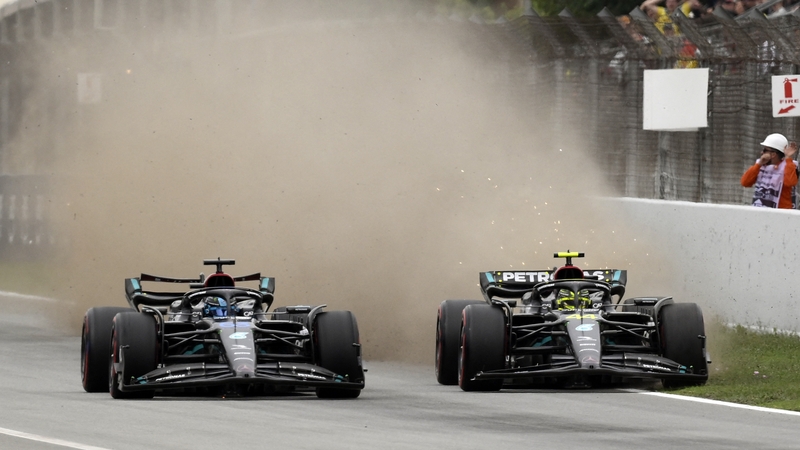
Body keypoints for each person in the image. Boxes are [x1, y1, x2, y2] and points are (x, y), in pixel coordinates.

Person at [741, 133, 798, 209]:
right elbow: (745, 182)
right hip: (760, 212)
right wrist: (759, 164)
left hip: (781, 213)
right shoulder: (760, 166)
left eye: (765, 150)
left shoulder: (789, 165)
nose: (762, 153)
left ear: (773, 154)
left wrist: (788, 159)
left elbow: (790, 182)